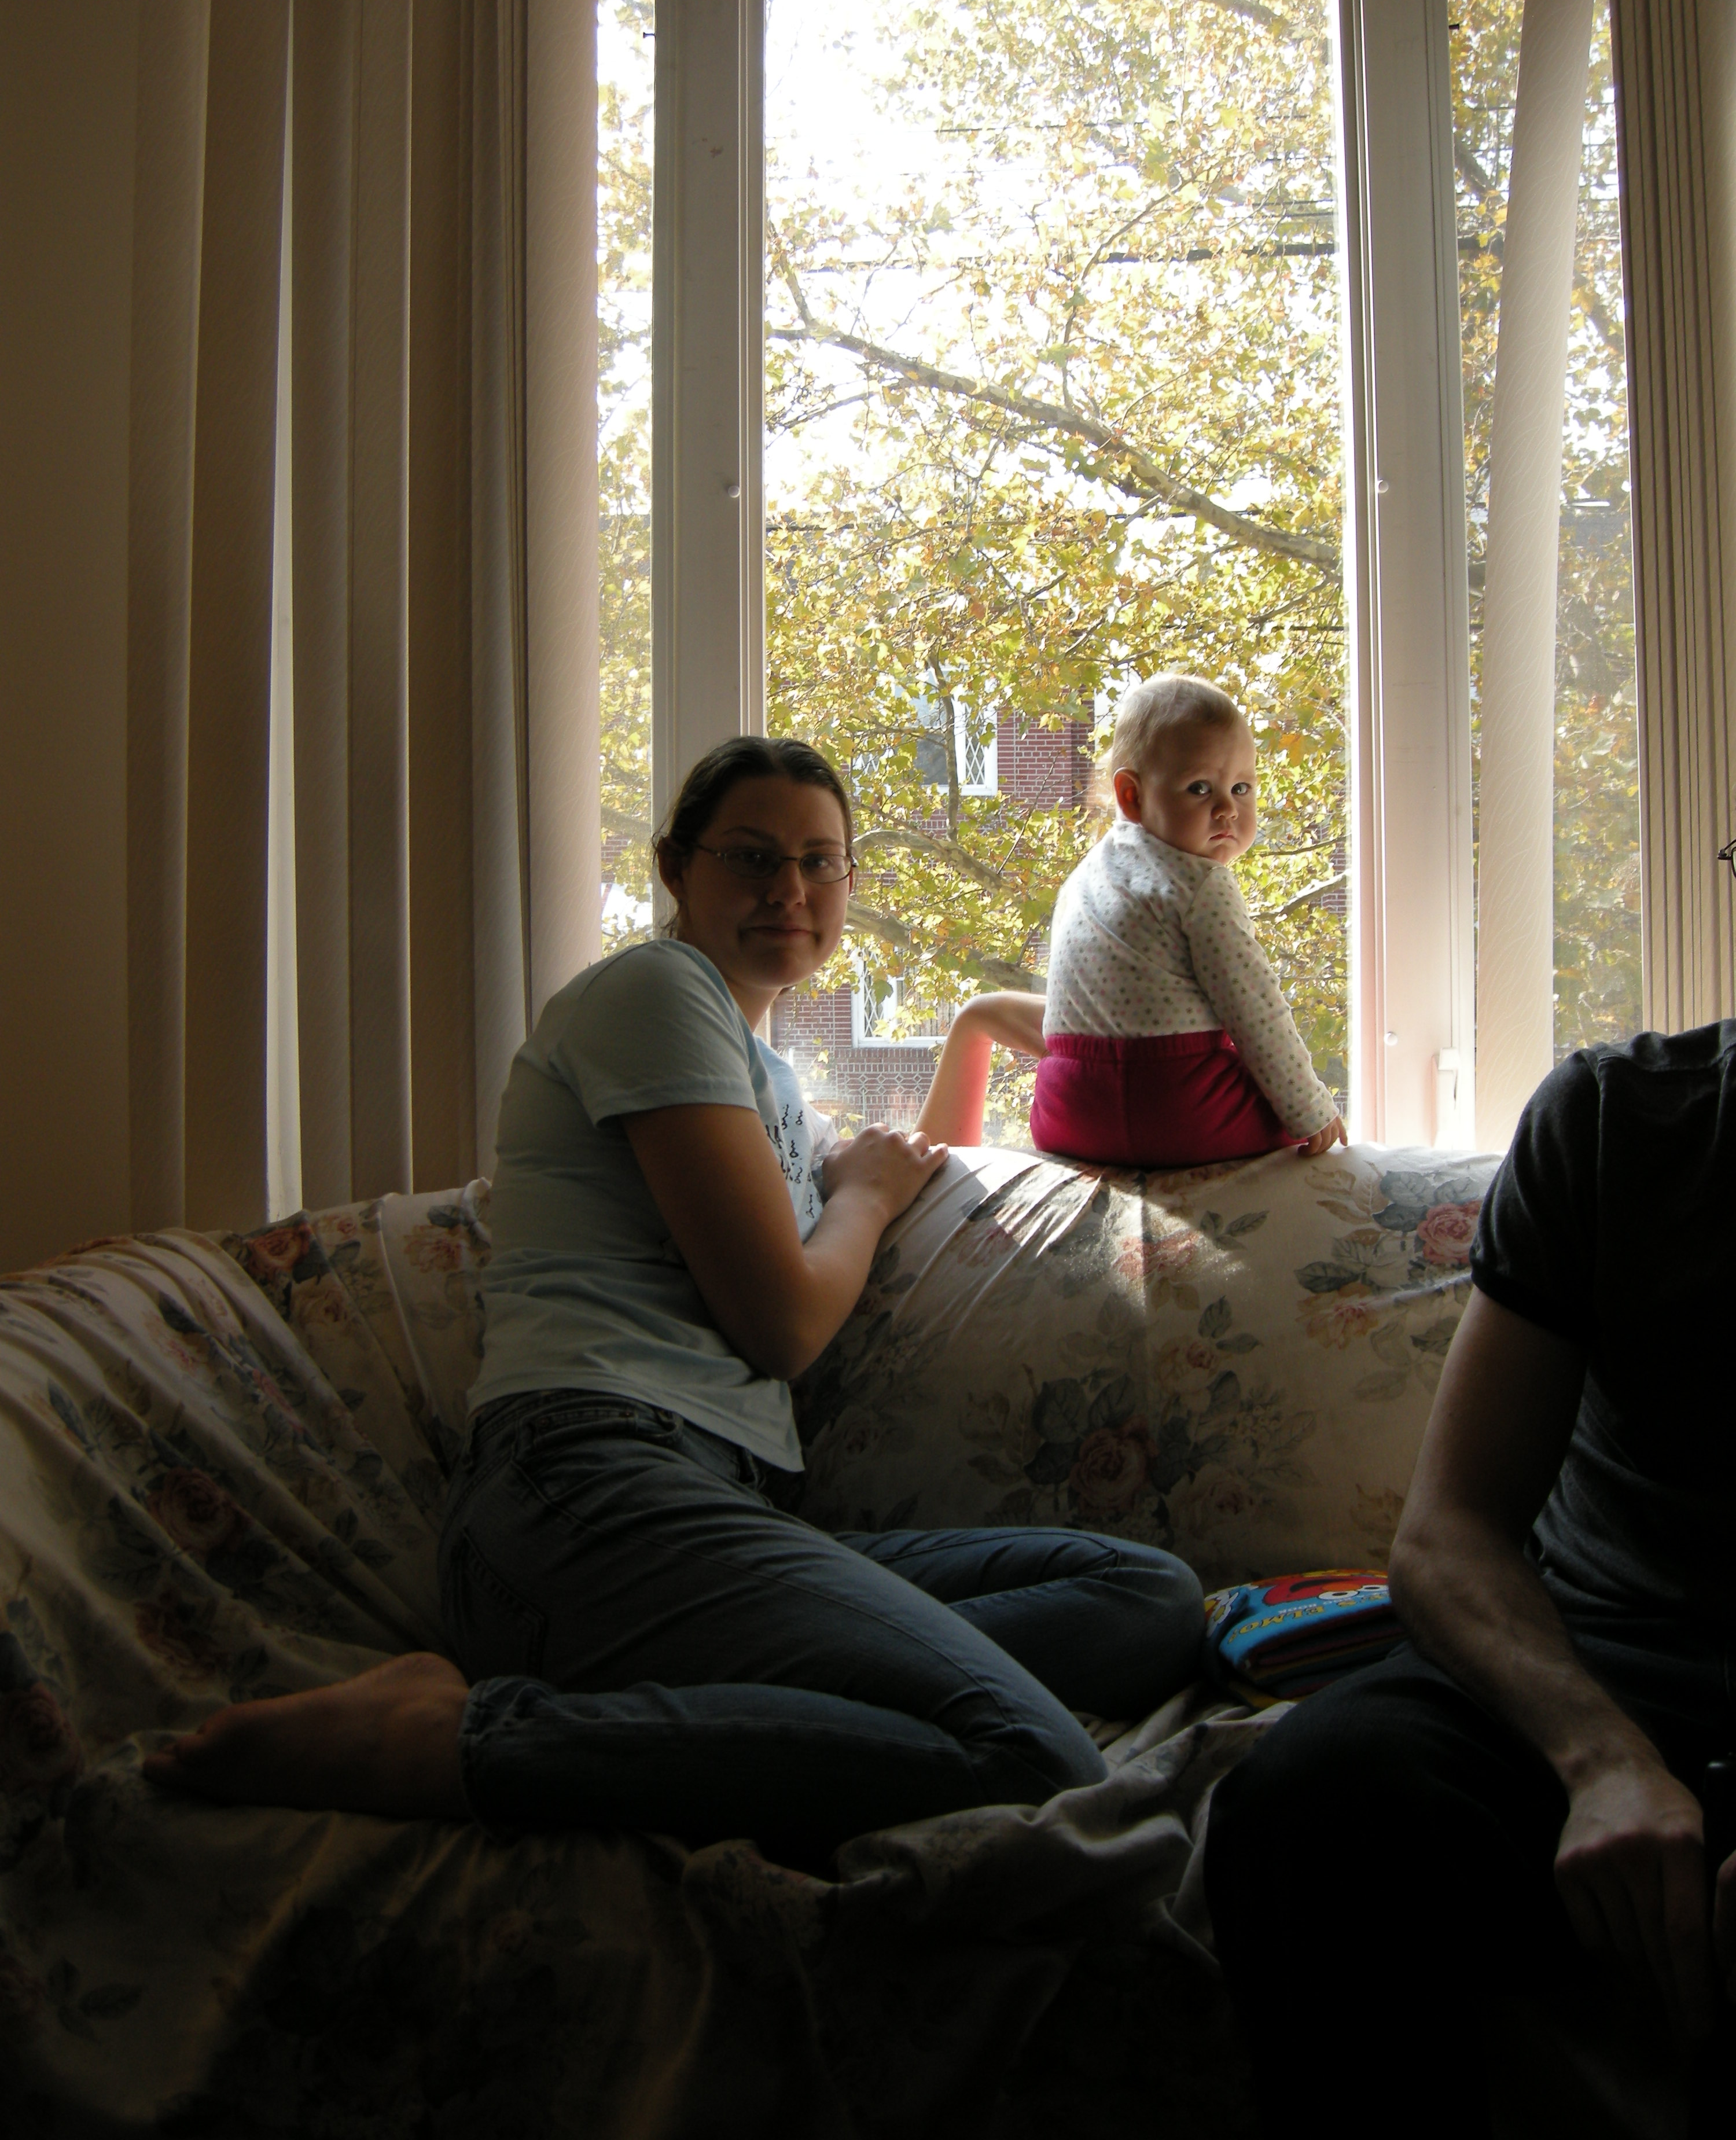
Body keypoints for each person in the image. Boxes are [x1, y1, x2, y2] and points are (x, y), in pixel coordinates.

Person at [144, 735, 1204, 1862]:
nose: (789, 889)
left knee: (1147, 1600)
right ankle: (457, 1740)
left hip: (717, 1508)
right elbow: (783, 1322)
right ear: (674, 868)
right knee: (1029, 1755)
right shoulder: (654, 993)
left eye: (819, 861)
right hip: (588, 1495)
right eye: (751, 857)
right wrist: (863, 1197)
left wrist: (973, 1029)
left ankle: (779, 1697)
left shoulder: (766, 1081)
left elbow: (911, 1172)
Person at [1204, 1021, 1736, 2137]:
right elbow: (1448, 1536)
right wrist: (1603, 1762)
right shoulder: (1613, 1118)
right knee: (1316, 1794)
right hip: (1602, 1663)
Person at [918, 674, 1345, 1167]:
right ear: (1132, 796)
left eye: (1242, 788)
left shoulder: (1085, 876)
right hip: (1175, 1110)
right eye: (1200, 788)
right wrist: (1310, 1110)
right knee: (1278, 1115)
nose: (1228, 808)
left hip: (1067, 1113)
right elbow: (1256, 1009)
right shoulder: (1203, 884)